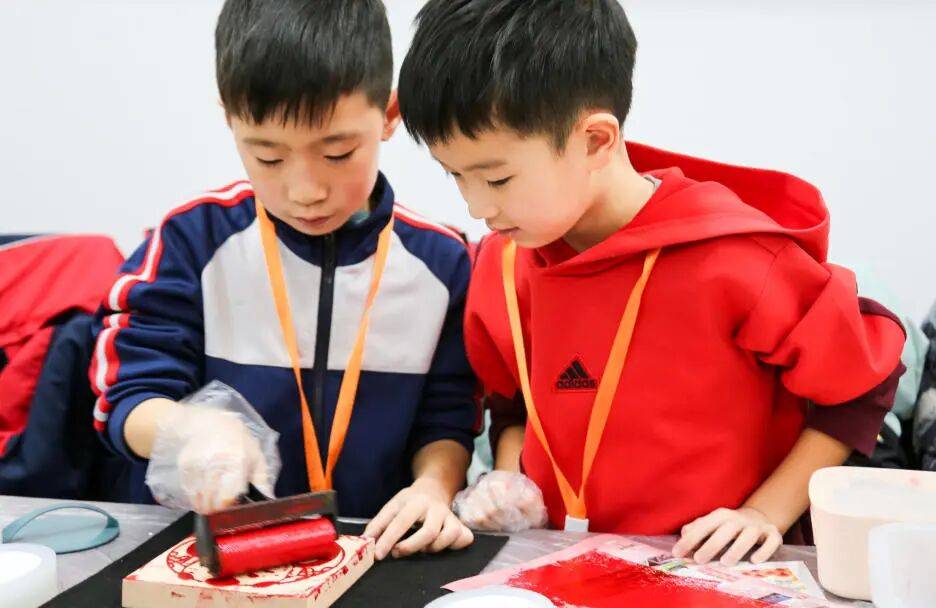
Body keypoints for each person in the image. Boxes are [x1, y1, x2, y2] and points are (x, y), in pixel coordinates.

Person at [396, 0, 905, 565]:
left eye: (497, 178)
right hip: (554, 571)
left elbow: (861, 387)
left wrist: (766, 513)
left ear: (595, 140)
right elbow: (512, 403)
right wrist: (511, 479)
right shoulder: (503, 259)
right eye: (455, 175)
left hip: (709, 573)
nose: (476, 206)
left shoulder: (733, 258)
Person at [90, 0, 477, 561]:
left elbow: (449, 416)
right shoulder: (192, 241)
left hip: (369, 554)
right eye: (268, 158)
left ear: (389, 115)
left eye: (338, 152)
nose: (305, 191)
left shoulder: (441, 263)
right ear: (230, 119)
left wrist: (434, 488)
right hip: (204, 556)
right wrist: (186, 429)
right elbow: (124, 399)